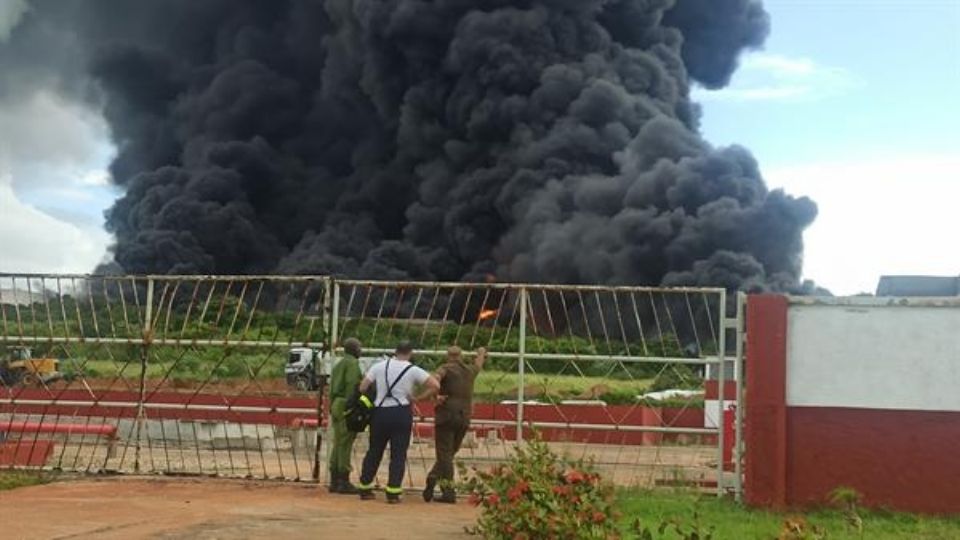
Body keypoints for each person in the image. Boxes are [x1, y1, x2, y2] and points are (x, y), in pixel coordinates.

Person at [356, 341, 440, 503]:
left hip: (380, 412)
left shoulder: (379, 366)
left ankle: (365, 487)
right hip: (401, 411)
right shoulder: (412, 370)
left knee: (374, 451)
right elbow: (435, 385)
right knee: (398, 454)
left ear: (395, 351)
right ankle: (393, 492)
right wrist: (418, 398)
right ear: (410, 353)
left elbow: (362, 387)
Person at [420, 345, 487, 503]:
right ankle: (433, 476)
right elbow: (478, 364)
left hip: (446, 415)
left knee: (444, 453)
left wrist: (433, 396)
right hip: (464, 416)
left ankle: (448, 491)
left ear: (448, 356)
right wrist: (482, 352)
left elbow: (435, 380)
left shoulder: (445, 368)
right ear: (461, 356)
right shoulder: (470, 371)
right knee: (449, 453)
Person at [328, 337, 363, 494]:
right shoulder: (353, 364)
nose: (360, 350)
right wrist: (354, 406)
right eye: (359, 348)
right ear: (354, 349)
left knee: (337, 442)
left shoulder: (338, 364)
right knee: (346, 442)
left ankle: (334, 479)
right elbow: (352, 386)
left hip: (336, 404)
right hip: (346, 405)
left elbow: (331, 389)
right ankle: (344, 479)